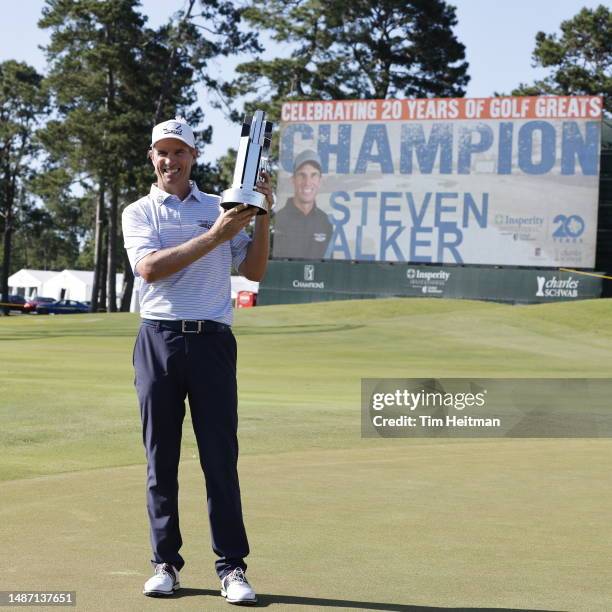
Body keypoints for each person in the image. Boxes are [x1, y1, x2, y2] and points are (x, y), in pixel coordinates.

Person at [121, 117, 273, 605]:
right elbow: (150, 270)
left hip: (211, 341)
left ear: (193, 157)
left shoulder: (219, 206)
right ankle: (165, 563)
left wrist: (262, 214)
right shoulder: (139, 212)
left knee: (219, 459)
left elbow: (251, 271)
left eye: (179, 151)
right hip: (158, 338)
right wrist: (215, 234)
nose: (171, 160)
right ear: (152, 158)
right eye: (162, 152)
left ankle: (232, 568)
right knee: (160, 459)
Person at [273, 149, 333, 259]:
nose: (307, 183)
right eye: (302, 175)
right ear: (293, 179)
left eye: (313, 175)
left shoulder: (325, 222)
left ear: (320, 180)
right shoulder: (278, 219)